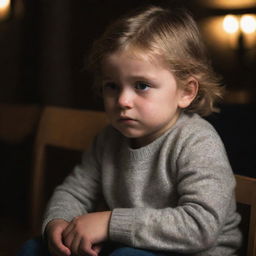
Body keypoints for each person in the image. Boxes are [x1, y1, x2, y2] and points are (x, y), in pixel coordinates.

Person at [18, 5, 242, 256]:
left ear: (185, 92)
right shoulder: (108, 138)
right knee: (33, 249)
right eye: (112, 85)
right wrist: (57, 223)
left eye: (142, 85)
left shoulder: (197, 141)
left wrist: (110, 223)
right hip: (128, 244)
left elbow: (201, 227)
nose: (123, 100)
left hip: (194, 251)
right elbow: (74, 191)